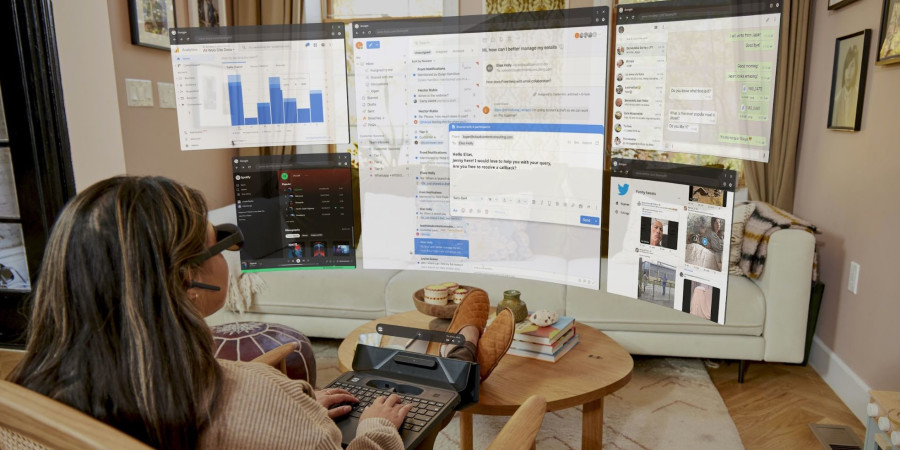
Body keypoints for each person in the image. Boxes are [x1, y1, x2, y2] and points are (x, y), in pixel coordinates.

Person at [6, 176, 413, 449]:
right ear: (188, 279)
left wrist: (291, 413)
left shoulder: (18, 403)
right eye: (221, 241)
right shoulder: (258, 394)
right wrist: (373, 432)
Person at [832, 44, 860, 128]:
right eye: (847, 67)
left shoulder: (857, 94)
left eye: (852, 66)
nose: (848, 73)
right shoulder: (838, 98)